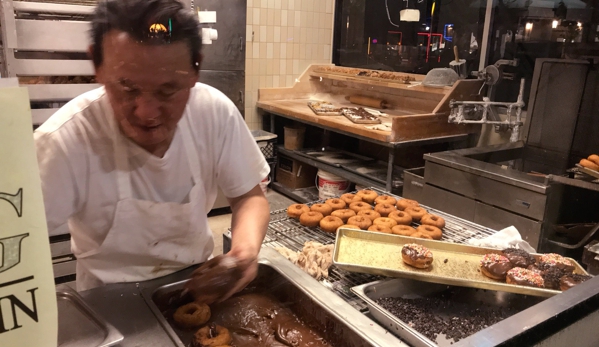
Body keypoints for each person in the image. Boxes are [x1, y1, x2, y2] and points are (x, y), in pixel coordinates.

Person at [34, 0, 270, 296]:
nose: (147, 113)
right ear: (97, 66)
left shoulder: (214, 113)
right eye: (127, 88)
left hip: (193, 288)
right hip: (108, 303)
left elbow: (249, 196)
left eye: (168, 90)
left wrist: (244, 252)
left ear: (195, 68)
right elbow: (16, 244)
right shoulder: (64, 141)